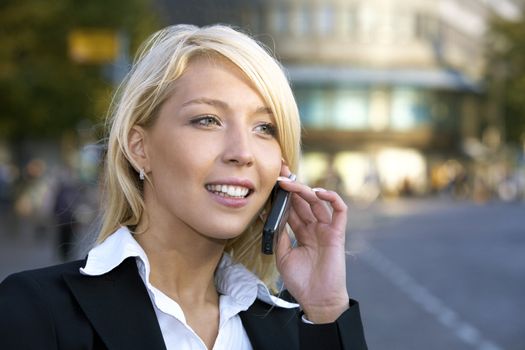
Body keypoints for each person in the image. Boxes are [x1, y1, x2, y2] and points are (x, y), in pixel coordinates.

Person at [0, 24, 367, 349]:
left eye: (264, 128)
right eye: (207, 120)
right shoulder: (35, 312)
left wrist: (325, 310)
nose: (243, 153)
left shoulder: (292, 326)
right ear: (139, 148)